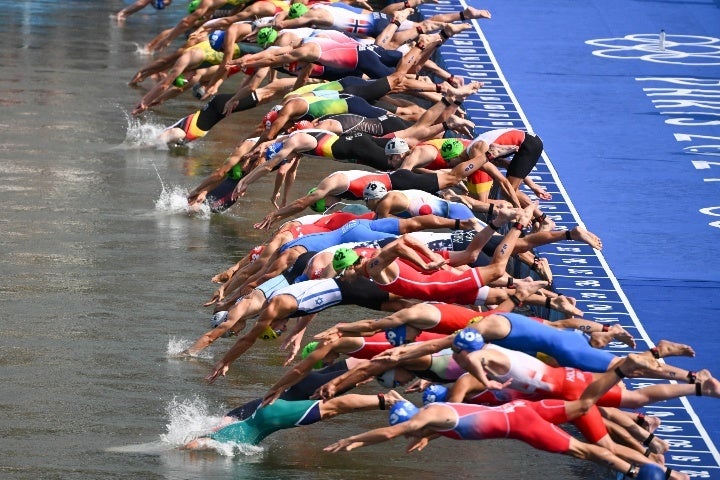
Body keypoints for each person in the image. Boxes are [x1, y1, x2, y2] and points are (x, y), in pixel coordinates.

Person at [323, 354, 689, 480]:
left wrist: (354, 440)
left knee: (588, 450)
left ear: (411, 419)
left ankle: (645, 471)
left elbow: (390, 434)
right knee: (583, 408)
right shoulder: (434, 416)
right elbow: (449, 418)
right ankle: (623, 372)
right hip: (520, 409)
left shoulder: (429, 415)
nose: (405, 433)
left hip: (522, 423)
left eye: (407, 428)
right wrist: (425, 434)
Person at [329, 204, 536, 304]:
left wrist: (425, 264)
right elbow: (404, 241)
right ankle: (499, 221)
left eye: (341, 273)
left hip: (437, 282)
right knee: (471, 258)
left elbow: (400, 245)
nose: (342, 279)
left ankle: (518, 223)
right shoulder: (371, 261)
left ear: (350, 266)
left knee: (497, 269)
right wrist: (430, 258)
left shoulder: (372, 267)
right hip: (431, 274)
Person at [183, 390, 407, 450]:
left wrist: (181, 449)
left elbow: (197, 443)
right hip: (268, 414)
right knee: (333, 408)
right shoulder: (227, 437)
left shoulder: (222, 440)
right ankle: (381, 401)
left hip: (271, 416)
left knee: (332, 408)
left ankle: (383, 400)